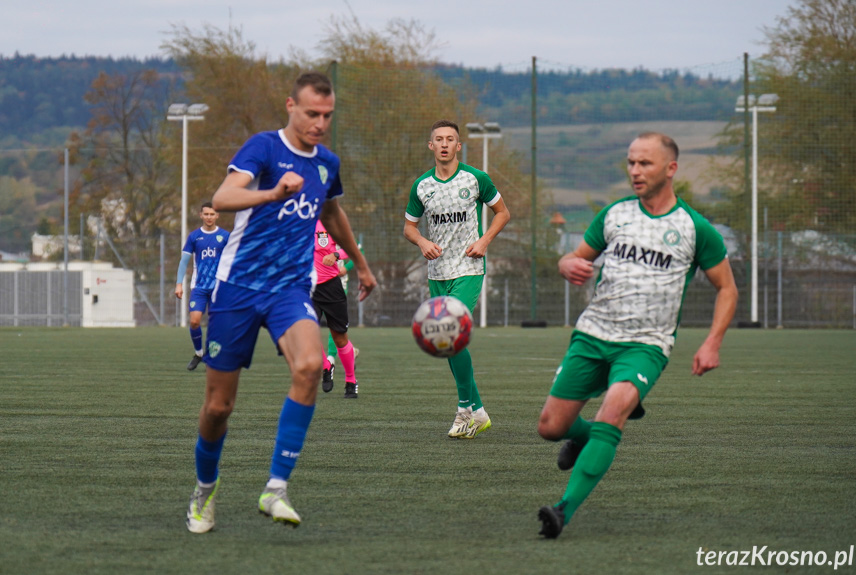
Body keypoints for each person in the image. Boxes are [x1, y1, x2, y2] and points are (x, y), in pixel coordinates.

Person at [185, 71, 377, 534]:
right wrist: (272, 193)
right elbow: (222, 195)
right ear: (291, 106)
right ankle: (204, 490)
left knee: (311, 365)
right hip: (237, 289)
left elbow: (332, 212)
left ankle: (276, 487)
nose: (320, 123)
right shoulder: (264, 148)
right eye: (312, 113)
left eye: (327, 115)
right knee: (218, 408)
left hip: (290, 289)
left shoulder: (326, 163)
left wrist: (361, 263)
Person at [535, 132, 738, 539]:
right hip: (593, 335)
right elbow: (574, 257)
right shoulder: (614, 215)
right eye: (630, 163)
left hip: (646, 345)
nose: (634, 171)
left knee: (613, 411)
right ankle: (589, 439)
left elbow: (727, 288)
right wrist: (565, 265)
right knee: (550, 427)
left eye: (644, 163)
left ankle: (562, 511)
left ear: (671, 169)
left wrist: (712, 341)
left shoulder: (695, 229)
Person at [403, 119, 511, 439]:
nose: (446, 144)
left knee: (451, 333)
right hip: (437, 273)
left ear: (459, 146)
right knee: (445, 342)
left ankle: (465, 409)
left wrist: (484, 241)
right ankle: (478, 412)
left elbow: (502, 213)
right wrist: (422, 241)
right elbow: (409, 227)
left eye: (451, 139)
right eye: (440, 139)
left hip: (469, 268)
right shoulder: (422, 186)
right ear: (431, 146)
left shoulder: (476, 179)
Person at [175, 202, 227, 371]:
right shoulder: (194, 236)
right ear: (201, 215)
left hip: (218, 288)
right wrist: (179, 284)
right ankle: (199, 354)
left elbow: (234, 260)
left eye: (212, 214)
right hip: (199, 287)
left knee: (216, 324)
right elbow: (183, 262)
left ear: (217, 216)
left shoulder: (226, 236)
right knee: (195, 321)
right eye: (206, 214)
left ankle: (213, 357)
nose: (209, 217)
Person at [313, 220, 359, 398]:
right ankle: (326, 366)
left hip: (331, 288)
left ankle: (351, 380)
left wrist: (336, 255)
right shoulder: (296, 222)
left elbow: (351, 247)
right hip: (306, 288)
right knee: (306, 335)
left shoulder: (331, 222)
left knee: (340, 338)